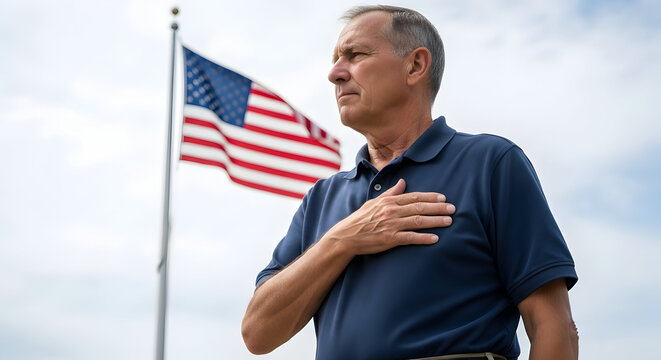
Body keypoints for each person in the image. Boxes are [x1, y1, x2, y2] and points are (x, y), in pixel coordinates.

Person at [242, 5, 578, 360]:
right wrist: (342, 240)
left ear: (415, 66)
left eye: (355, 55)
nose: (335, 74)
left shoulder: (491, 164)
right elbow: (257, 334)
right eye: (336, 59)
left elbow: (553, 326)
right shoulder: (322, 198)